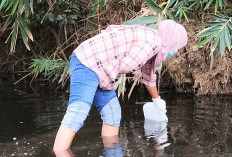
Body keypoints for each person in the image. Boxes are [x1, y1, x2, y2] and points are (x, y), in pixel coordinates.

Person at [53, 19, 188, 152]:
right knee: (78, 112)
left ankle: (112, 152)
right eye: (177, 47)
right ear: (172, 41)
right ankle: (59, 152)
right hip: (88, 62)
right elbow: (127, 65)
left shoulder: (153, 40)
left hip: (101, 68)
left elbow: (149, 75)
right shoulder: (152, 42)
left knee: (113, 113)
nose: (175, 50)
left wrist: (157, 100)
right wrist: (136, 66)